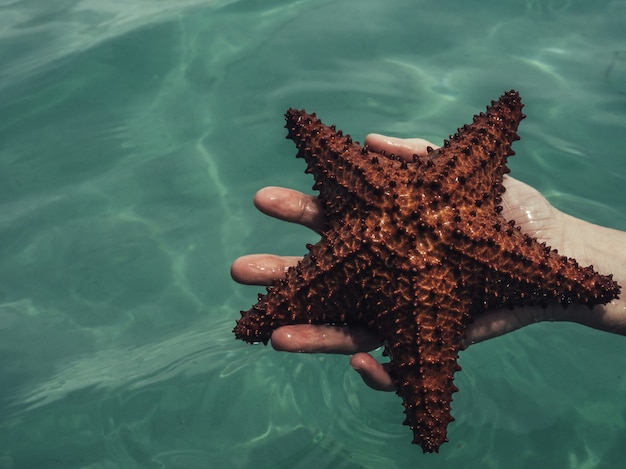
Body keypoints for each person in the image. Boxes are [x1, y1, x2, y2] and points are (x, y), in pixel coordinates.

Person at [231, 133, 626, 392]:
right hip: (436, 255)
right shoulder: (455, 179)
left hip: (391, 256)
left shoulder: (373, 188)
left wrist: (581, 268)